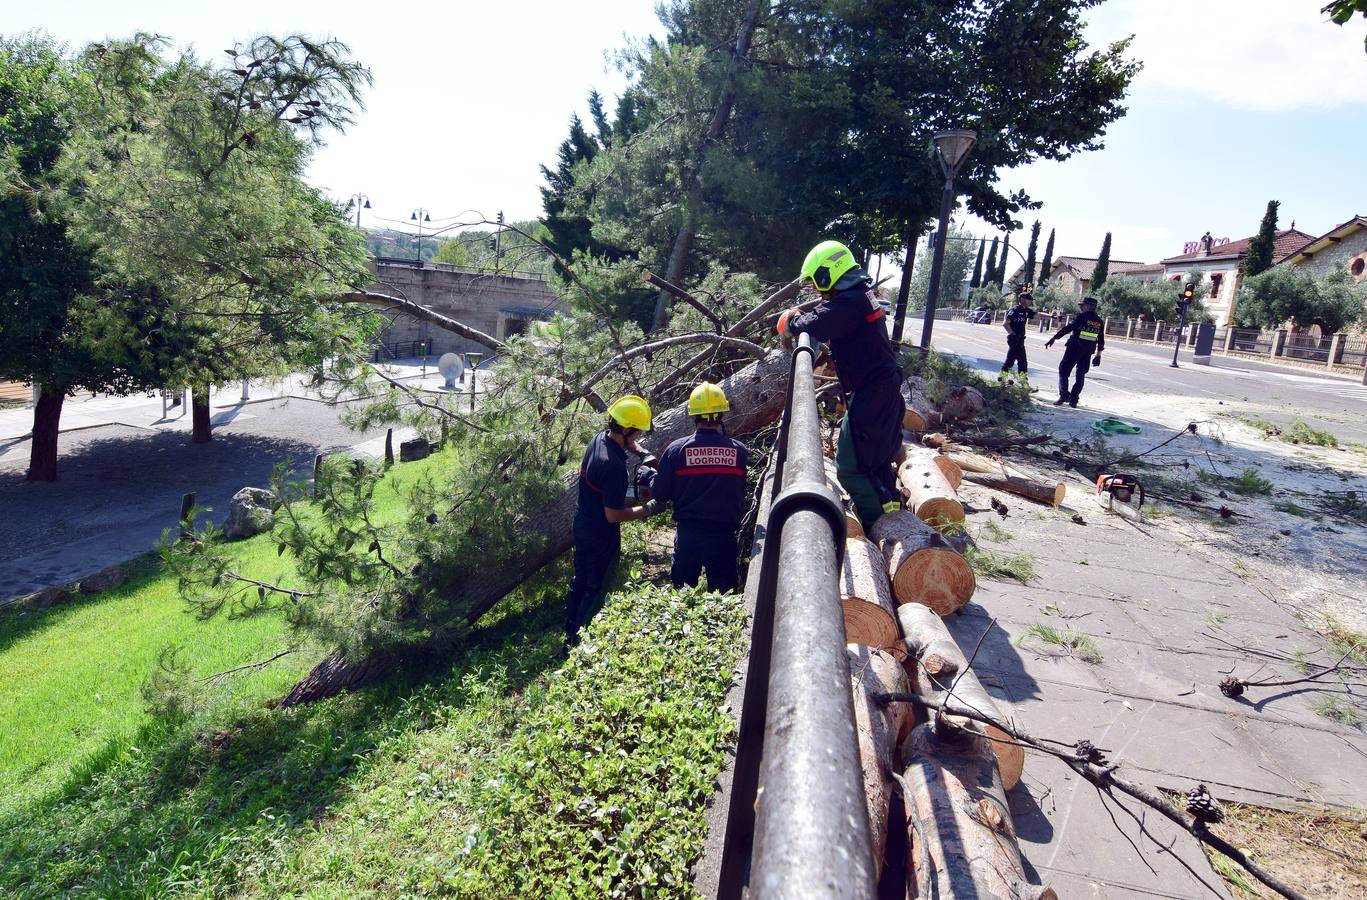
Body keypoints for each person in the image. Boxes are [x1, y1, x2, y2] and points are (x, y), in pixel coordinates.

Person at [778, 240, 904, 530]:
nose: (817, 290)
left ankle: (878, 526)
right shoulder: (860, 297)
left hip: (873, 395)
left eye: (816, 282)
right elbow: (829, 315)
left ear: (828, 274)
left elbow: (817, 324)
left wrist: (792, 322)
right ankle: (892, 515)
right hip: (879, 390)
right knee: (875, 464)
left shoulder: (851, 302)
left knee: (851, 468)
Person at [564, 394, 656, 643]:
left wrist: (643, 453)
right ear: (625, 429)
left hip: (583, 523)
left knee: (580, 578)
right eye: (637, 433)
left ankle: (569, 625)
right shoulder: (613, 466)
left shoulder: (600, 440)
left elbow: (628, 443)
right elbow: (613, 515)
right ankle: (577, 640)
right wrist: (648, 509)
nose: (637, 438)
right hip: (600, 534)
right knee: (596, 587)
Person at [646, 382, 749, 593]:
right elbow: (739, 491)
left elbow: (660, 493)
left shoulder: (676, 450)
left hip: (689, 536)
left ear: (693, 415)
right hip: (723, 536)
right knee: (724, 599)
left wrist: (649, 477)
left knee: (682, 597)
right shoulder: (739, 452)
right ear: (722, 414)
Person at [1045, 296, 1105, 407]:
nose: (1081, 308)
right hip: (1087, 352)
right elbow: (1101, 340)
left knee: (1063, 370)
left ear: (1088, 306)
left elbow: (1067, 328)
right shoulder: (1099, 321)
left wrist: (1054, 338)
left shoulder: (1081, 317)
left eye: (1082, 305)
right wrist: (1098, 355)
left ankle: (1063, 396)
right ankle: (1073, 400)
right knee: (1080, 375)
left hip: (1074, 349)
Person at [998, 284, 1036, 386]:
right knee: (1021, 362)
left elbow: (1037, 314)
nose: (1030, 302)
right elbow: (1005, 323)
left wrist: (1053, 317)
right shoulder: (1014, 310)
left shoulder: (1025, 311)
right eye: (1029, 300)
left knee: (1012, 360)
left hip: (1020, 340)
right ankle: (1023, 384)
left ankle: (1002, 378)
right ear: (1022, 299)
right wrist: (1012, 334)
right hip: (1015, 339)